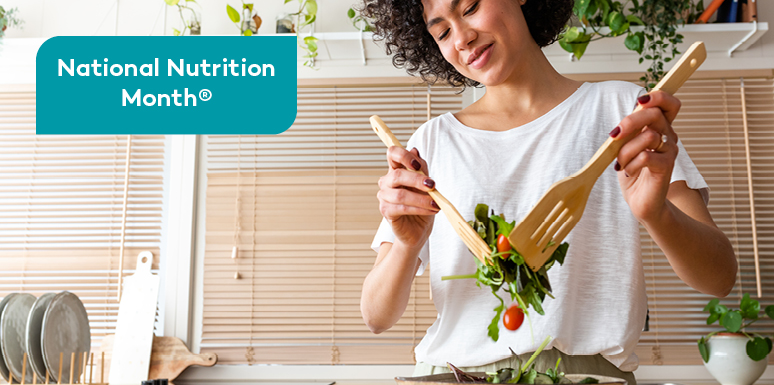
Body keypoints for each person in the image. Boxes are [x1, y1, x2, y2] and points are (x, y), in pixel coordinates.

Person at [358, 0, 738, 383]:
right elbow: (376, 316)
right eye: (441, 32)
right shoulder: (433, 141)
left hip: (588, 376)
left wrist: (657, 214)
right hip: (454, 374)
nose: (462, 37)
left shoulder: (623, 112)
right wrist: (407, 246)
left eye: (470, 7)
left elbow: (719, 278)